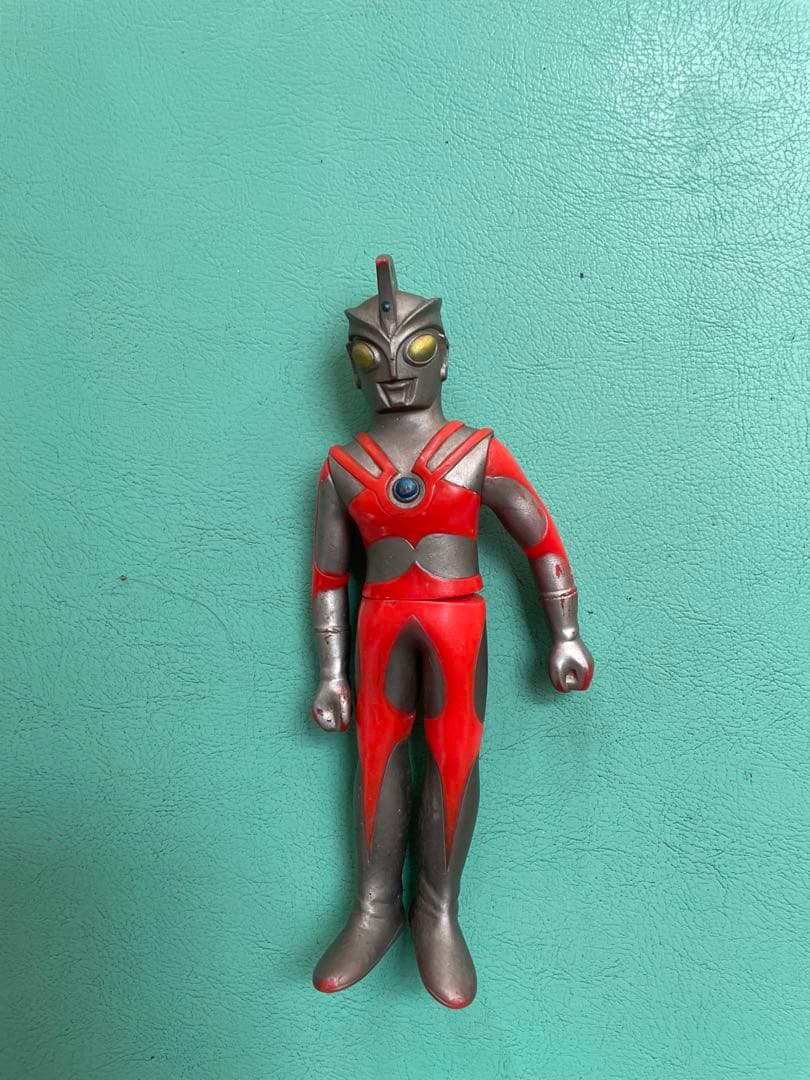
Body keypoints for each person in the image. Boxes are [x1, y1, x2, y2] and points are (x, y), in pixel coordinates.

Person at [309, 255, 594, 1009]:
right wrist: (331, 674)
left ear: (443, 356)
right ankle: (375, 907)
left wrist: (565, 631)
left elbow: (540, 538)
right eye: (372, 356)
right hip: (379, 626)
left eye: (416, 350)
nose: (395, 373)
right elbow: (329, 579)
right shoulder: (343, 468)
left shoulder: (476, 453)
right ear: (355, 369)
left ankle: (437, 912)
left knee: (453, 760)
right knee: (377, 762)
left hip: (455, 624)